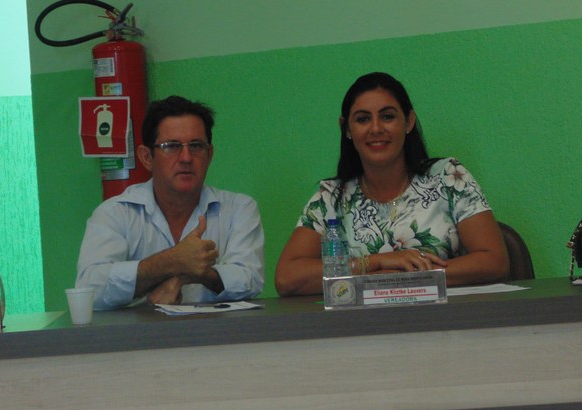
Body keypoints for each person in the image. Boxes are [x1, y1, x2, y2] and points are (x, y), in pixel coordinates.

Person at [275, 72, 508, 296]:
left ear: (409, 121)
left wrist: (403, 279)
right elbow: (287, 278)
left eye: (387, 116)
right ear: (347, 129)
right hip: (358, 322)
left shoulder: (448, 177)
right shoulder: (331, 197)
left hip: (443, 319)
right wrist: (374, 264)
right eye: (363, 119)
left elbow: (494, 261)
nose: (376, 128)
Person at [77, 95, 265, 309]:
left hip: (218, 330)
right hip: (139, 331)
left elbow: (251, 279)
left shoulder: (239, 209)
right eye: (172, 146)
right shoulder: (115, 213)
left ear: (210, 154)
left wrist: (186, 275)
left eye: (196, 146)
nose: (186, 157)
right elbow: (90, 288)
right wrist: (170, 261)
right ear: (147, 157)